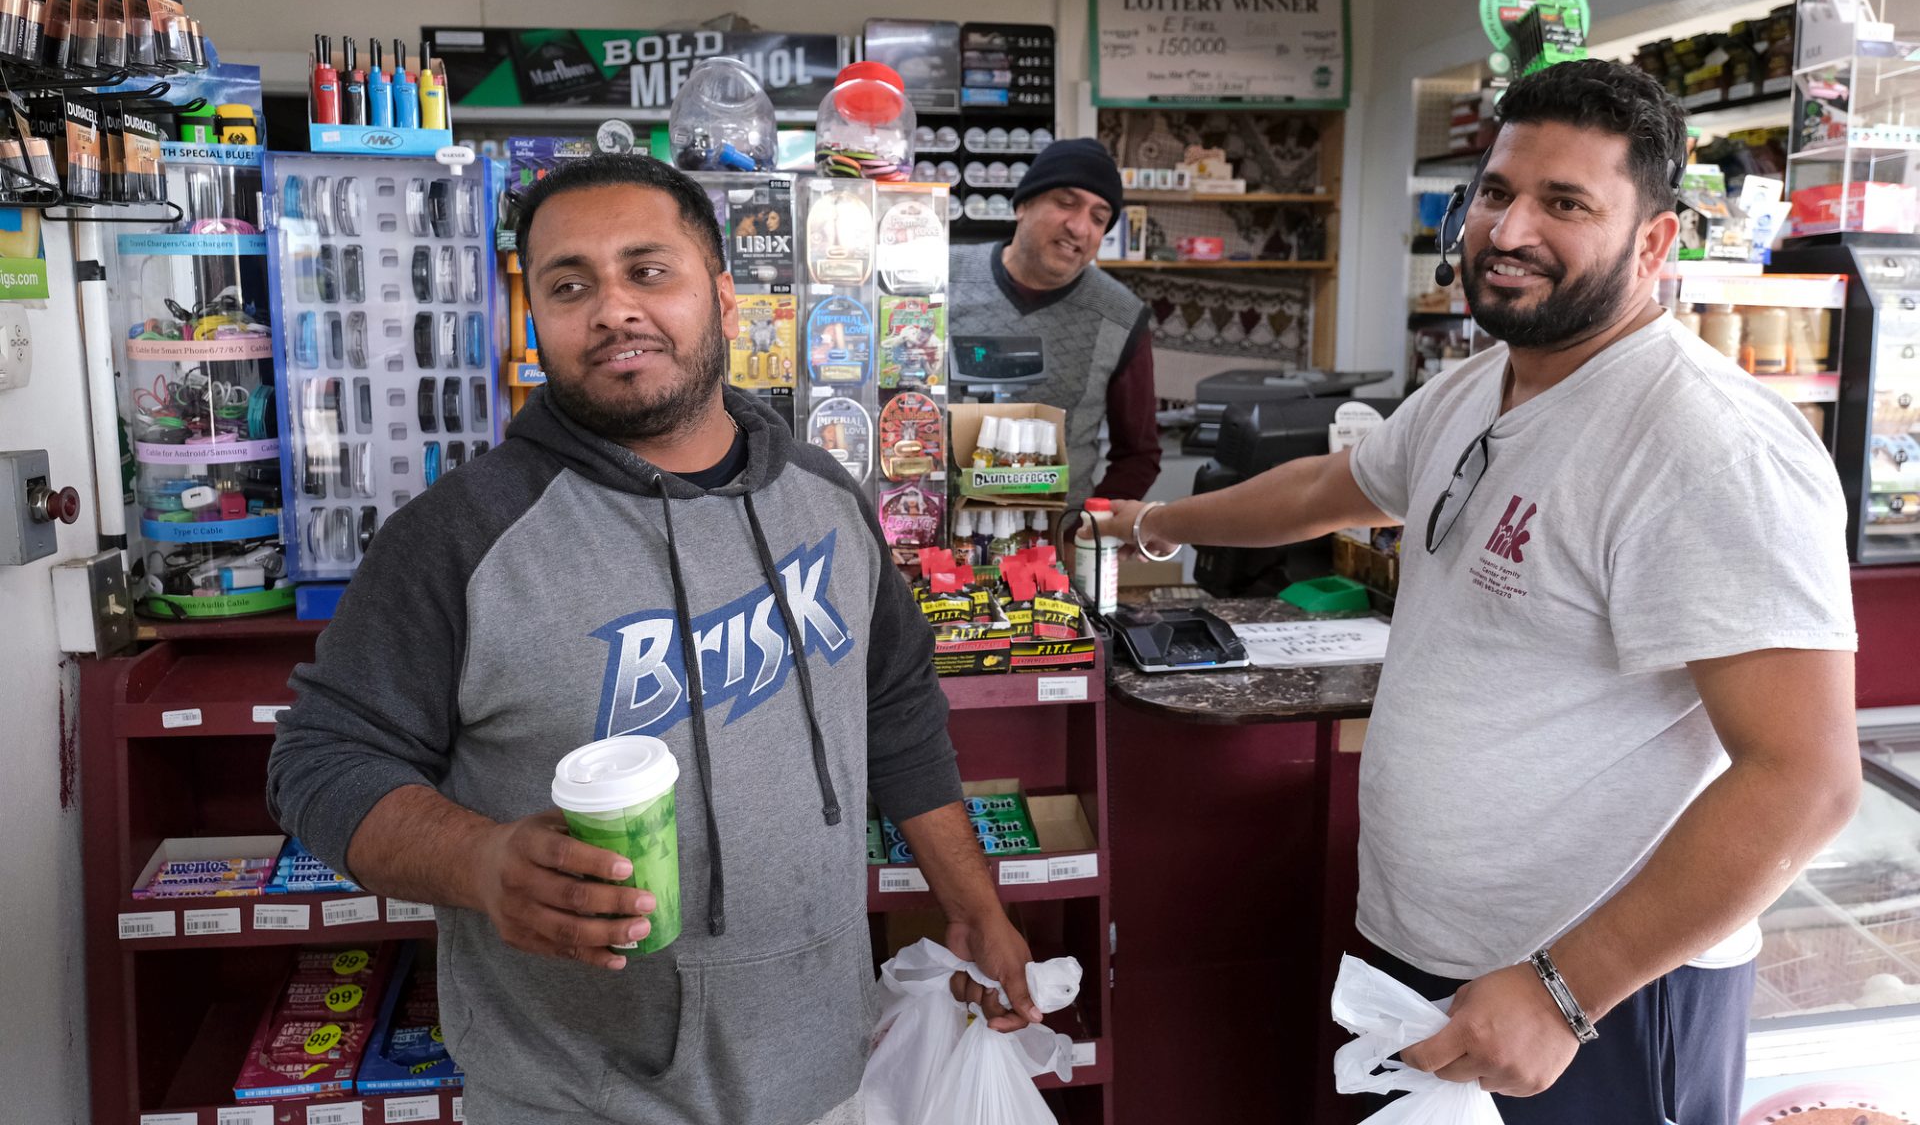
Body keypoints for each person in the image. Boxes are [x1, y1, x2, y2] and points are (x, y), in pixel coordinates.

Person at [1109, 60, 1860, 1122]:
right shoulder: (1475, 384)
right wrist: (1148, 521)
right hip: (1431, 961)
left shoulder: (1706, 446)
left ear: (1654, 242)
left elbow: (1805, 775)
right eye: (1498, 191)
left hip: (1600, 1003)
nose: (1506, 231)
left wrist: (1567, 987)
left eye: (1565, 203)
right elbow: (1330, 486)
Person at [268, 153, 1040, 1125]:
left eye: (648, 269)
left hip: (830, 1069)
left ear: (721, 293)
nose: (613, 309)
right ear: (534, 315)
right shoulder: (458, 537)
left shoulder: (825, 500)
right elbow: (321, 761)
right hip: (575, 1095)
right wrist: (481, 860)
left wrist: (971, 903)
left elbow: (895, 709)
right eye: (569, 283)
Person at [949, 138, 1160, 511]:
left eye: (1098, 218)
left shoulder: (1121, 317)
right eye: (1065, 203)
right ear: (1023, 206)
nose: (1079, 227)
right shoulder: (940, 278)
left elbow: (1138, 455)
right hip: (930, 539)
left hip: (1057, 548)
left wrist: (1086, 530)